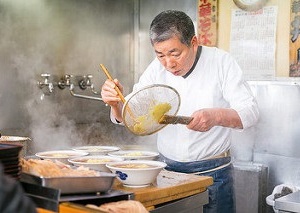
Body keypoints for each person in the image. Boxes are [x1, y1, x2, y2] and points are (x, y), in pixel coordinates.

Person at [101, 10, 259, 213]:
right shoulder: (156, 69)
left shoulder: (221, 62)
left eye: (175, 53)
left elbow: (251, 112)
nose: (168, 63)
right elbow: (132, 115)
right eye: (160, 55)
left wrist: (215, 116)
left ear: (193, 43)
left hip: (212, 174)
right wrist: (115, 103)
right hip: (166, 173)